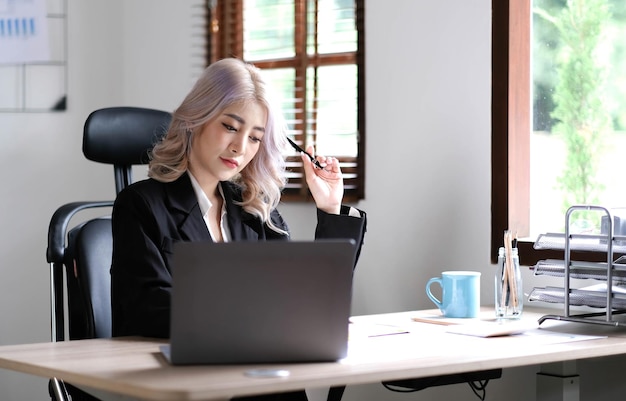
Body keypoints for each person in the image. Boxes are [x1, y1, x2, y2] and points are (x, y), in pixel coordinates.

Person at [110, 58, 366, 401]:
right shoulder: (140, 204)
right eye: (230, 126)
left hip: (254, 376)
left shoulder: (253, 208)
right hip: (183, 381)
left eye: (255, 138)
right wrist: (251, 318)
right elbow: (147, 307)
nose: (240, 148)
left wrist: (330, 208)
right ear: (195, 120)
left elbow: (313, 298)